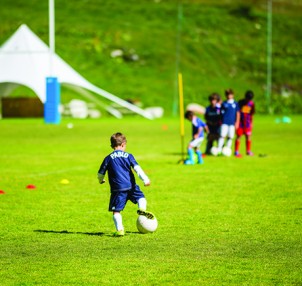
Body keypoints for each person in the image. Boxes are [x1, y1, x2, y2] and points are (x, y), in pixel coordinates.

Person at [97, 132, 153, 237]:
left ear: (112, 145)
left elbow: (100, 173)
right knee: (141, 198)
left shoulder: (108, 158)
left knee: (116, 211)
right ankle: (142, 209)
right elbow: (137, 169)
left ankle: (120, 230)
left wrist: (101, 180)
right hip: (131, 186)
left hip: (117, 189)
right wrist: (145, 179)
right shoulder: (128, 156)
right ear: (123, 144)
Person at [217, 89, 240, 155]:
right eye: (227, 94)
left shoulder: (235, 103)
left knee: (230, 136)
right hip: (224, 122)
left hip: (232, 123)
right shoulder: (224, 103)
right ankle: (219, 149)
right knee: (222, 135)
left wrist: (237, 122)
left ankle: (227, 149)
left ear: (232, 95)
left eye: (230, 94)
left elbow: (238, 113)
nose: (229, 96)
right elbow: (220, 113)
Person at [234, 90, 256, 157]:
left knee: (248, 136)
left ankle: (248, 151)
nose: (248, 100)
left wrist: (251, 123)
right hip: (241, 123)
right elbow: (237, 112)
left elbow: (252, 113)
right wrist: (236, 122)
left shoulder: (251, 104)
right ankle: (236, 151)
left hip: (247, 123)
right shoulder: (240, 102)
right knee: (239, 136)